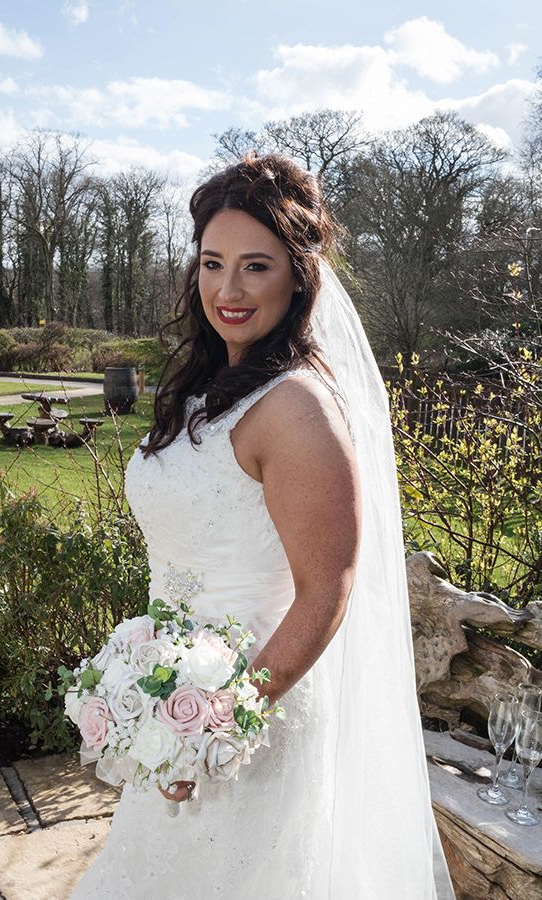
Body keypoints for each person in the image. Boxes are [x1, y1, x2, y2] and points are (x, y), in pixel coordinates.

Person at [69, 151, 456, 899]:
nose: (228, 290)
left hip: (255, 715)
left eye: (256, 266)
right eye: (213, 264)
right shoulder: (208, 386)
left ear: (299, 277)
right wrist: (155, 693)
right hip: (177, 698)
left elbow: (327, 588)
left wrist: (215, 726)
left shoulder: (297, 408)